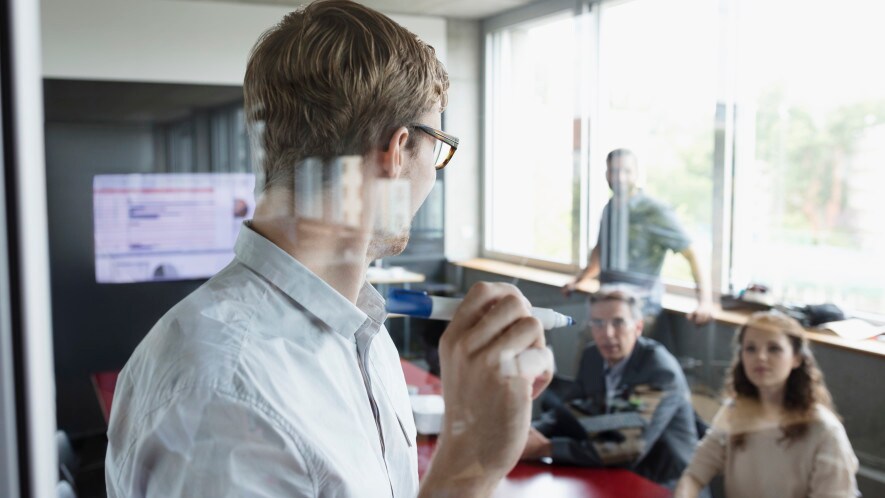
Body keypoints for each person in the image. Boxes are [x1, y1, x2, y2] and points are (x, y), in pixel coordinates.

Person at [105, 2, 552, 497]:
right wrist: (472, 463)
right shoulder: (225, 392)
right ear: (397, 150)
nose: (433, 174)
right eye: (438, 149)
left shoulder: (363, 335)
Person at [521, 287, 699, 489]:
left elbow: (625, 448)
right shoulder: (593, 357)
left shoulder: (660, 370)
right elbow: (569, 412)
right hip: (609, 473)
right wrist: (528, 433)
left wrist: (546, 448)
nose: (607, 333)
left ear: (638, 327)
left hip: (663, 484)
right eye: (597, 323)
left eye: (618, 322)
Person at [674, 311, 859, 498]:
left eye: (774, 348)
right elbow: (694, 474)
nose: (761, 357)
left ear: (796, 358)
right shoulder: (733, 411)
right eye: (751, 349)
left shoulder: (824, 429)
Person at [562, 148, 713, 325]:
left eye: (626, 171)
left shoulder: (653, 211)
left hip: (641, 309)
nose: (620, 178)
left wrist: (705, 303)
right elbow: (600, 250)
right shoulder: (609, 208)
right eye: (614, 171)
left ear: (636, 174)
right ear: (606, 174)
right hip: (607, 303)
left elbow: (692, 253)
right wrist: (578, 280)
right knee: (585, 339)